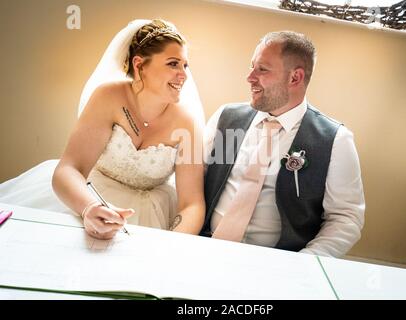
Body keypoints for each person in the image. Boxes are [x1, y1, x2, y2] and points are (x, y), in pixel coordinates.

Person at [0, 19, 205, 239]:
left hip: (152, 216)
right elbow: (69, 169)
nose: (183, 75)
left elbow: (191, 205)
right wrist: (89, 208)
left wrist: (169, 244)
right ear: (139, 65)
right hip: (89, 195)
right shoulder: (108, 97)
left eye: (185, 65)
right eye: (173, 63)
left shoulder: (187, 122)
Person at [201, 31, 365, 257]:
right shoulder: (225, 118)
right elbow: (192, 181)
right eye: (252, 67)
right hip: (205, 248)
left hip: (277, 266)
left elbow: (345, 218)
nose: (250, 77)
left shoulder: (336, 140)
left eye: (262, 69)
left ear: (295, 78)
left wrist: (304, 264)